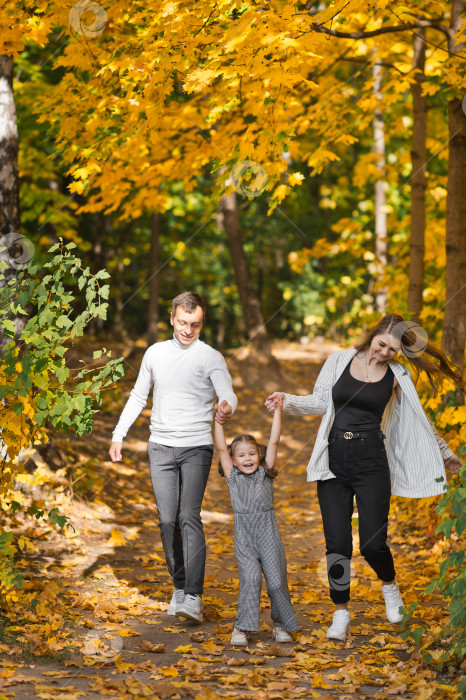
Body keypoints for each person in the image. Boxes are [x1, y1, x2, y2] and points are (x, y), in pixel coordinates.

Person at [265, 313, 463, 641]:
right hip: (334, 463)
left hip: (372, 463)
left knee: (373, 544)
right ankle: (340, 612)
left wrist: (444, 453)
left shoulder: (397, 375)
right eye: (382, 344)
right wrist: (287, 401)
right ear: (373, 336)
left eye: (394, 350)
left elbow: (419, 419)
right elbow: (318, 401)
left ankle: (390, 587)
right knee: (337, 544)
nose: (385, 352)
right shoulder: (339, 360)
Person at [109, 292, 237, 623]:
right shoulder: (155, 353)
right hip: (160, 448)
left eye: (194, 324)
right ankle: (178, 587)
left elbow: (227, 390)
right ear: (171, 318)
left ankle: (193, 596)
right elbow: (139, 395)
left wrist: (226, 404)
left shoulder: (210, 357)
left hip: (197, 447)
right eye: (182, 322)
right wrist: (118, 434)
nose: (188, 330)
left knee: (188, 516)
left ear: (201, 322)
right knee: (167, 520)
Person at [215, 396, 300, 646]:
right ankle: (241, 628)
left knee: (276, 582)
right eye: (241, 455)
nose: (248, 459)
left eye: (252, 453)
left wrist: (278, 412)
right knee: (251, 580)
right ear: (233, 459)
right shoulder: (232, 477)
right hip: (245, 538)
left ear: (259, 454)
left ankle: (281, 625)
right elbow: (220, 448)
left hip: (268, 534)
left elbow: (274, 440)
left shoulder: (265, 474)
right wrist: (218, 421)